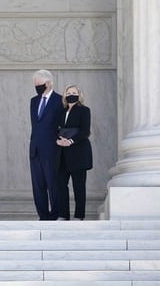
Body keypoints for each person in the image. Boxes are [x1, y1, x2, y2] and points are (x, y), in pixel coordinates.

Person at [29, 69, 63, 220]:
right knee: (38, 185)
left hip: (52, 149)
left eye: (39, 84)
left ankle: (55, 215)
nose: (36, 87)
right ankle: (43, 216)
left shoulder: (60, 100)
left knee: (53, 184)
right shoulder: (33, 101)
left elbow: (63, 125)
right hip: (35, 149)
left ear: (48, 83)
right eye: (35, 84)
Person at [55, 84, 93, 220]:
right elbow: (55, 129)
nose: (71, 94)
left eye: (74, 92)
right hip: (62, 154)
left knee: (79, 186)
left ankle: (79, 216)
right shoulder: (61, 111)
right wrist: (58, 140)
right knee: (61, 185)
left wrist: (70, 141)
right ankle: (63, 215)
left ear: (79, 95)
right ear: (65, 95)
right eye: (68, 92)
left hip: (79, 153)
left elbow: (85, 131)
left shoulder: (84, 110)